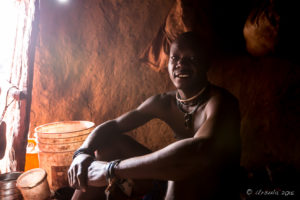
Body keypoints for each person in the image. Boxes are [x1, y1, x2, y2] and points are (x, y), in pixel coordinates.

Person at [68, 32, 241, 200]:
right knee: (108, 145)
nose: (181, 64)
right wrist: (82, 153)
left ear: (206, 64)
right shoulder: (165, 102)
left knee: (178, 176)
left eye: (191, 59)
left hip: (216, 187)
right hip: (175, 175)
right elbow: (114, 125)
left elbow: (195, 153)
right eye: (175, 58)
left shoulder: (221, 103)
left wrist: (110, 170)